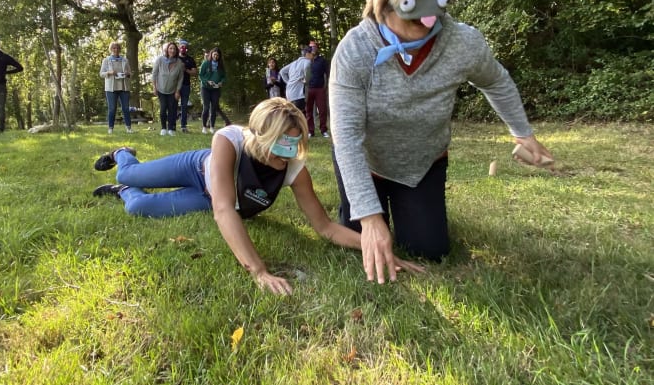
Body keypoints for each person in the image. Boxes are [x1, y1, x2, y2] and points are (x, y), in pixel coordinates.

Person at [329, 0, 554, 284]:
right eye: (413, 2)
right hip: (366, 159)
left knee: (428, 250)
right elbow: (346, 137)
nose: (427, 17)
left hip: (422, 162)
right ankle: (361, 207)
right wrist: (370, 218)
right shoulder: (355, 49)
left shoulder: (462, 42)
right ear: (385, 1)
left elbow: (496, 81)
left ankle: (409, 211)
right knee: (359, 238)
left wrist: (522, 133)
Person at [91, 98, 424, 295]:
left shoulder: (294, 170)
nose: (289, 153)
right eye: (282, 144)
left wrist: (376, 248)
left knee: (138, 205)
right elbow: (224, 210)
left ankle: (123, 193)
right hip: (197, 170)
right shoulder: (229, 141)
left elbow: (325, 227)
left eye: (295, 144)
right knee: (128, 174)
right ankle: (123, 154)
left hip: (208, 199)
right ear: (262, 136)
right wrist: (259, 271)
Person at [100, 41, 133, 134]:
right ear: (111, 49)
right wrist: (109, 72)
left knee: (126, 108)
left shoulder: (125, 60)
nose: (116, 50)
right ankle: (110, 128)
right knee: (112, 109)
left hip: (124, 88)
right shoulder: (106, 60)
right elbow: (101, 74)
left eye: (118, 48)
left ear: (120, 49)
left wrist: (127, 74)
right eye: (114, 48)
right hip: (111, 88)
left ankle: (129, 128)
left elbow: (130, 73)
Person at [152, 41, 184, 136]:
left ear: (176, 51)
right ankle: (163, 128)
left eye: (174, 49)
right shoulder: (160, 60)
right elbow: (154, 74)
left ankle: (170, 129)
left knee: (172, 110)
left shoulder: (179, 63)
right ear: (167, 50)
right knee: (163, 109)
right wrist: (154, 87)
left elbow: (180, 78)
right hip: (161, 89)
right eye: (170, 48)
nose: (172, 50)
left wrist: (177, 91)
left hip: (172, 91)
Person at [305, 41, 330, 138]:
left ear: (317, 48)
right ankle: (310, 131)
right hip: (308, 88)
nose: (313, 49)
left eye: (314, 47)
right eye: (311, 47)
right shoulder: (306, 60)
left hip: (320, 88)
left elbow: (328, 74)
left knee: (322, 110)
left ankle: (323, 130)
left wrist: (327, 87)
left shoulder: (322, 60)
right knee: (309, 111)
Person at [279, 45, 314, 113]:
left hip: (289, 94)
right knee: (300, 115)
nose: (313, 56)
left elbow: (282, 71)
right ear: (307, 54)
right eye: (312, 54)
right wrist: (306, 81)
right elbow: (307, 68)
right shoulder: (307, 61)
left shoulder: (294, 63)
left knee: (292, 115)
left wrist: (288, 82)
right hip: (298, 94)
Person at [177, 39, 198, 132]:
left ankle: (183, 126)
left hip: (186, 85)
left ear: (186, 49)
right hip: (175, 85)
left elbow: (194, 72)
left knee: (184, 105)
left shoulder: (190, 59)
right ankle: (172, 126)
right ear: (179, 47)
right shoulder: (175, 58)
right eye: (182, 46)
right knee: (173, 104)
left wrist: (185, 69)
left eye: (185, 47)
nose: (183, 48)